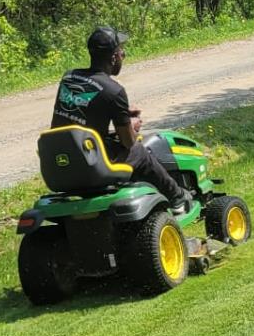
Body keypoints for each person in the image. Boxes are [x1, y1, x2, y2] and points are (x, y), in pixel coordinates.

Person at [50, 26, 191, 213]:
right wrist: (131, 124)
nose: (123, 55)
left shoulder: (69, 77)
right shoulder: (114, 90)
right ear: (114, 57)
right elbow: (128, 141)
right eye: (121, 51)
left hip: (61, 162)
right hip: (91, 166)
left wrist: (121, 113)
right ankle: (177, 197)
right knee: (139, 151)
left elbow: (82, 117)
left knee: (114, 143)